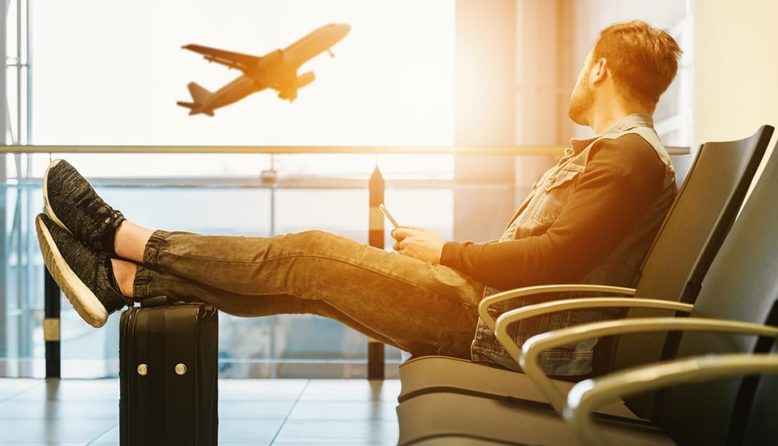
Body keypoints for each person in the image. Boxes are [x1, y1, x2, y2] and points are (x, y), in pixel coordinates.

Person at [36, 20, 681, 376]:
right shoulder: (623, 157)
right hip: (495, 317)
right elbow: (554, 258)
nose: (574, 80)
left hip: (495, 329)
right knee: (308, 284)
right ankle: (124, 281)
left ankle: (120, 236)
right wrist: (447, 255)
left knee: (308, 255)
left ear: (598, 68)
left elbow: (553, 262)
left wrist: (448, 251)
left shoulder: (627, 158)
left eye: (581, 68)